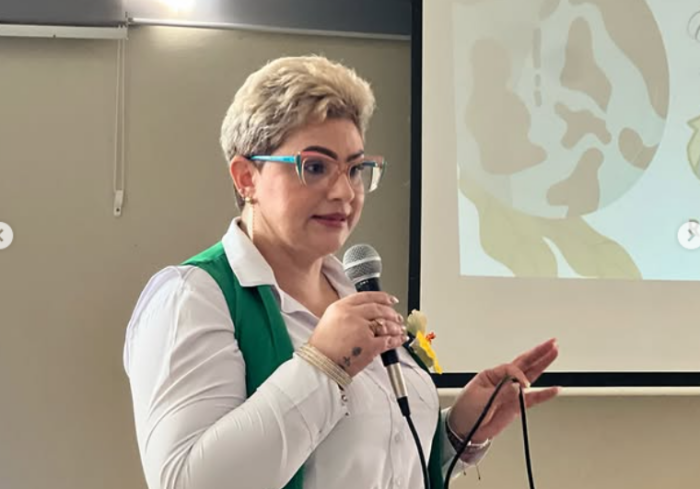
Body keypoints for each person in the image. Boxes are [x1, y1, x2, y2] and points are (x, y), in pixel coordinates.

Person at [123, 55, 560, 489]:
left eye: (355, 169)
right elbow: (187, 482)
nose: (344, 192)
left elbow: (374, 463)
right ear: (246, 177)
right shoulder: (192, 297)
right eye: (315, 167)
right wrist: (323, 364)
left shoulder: (351, 293)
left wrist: (460, 431)